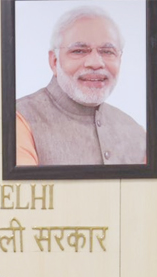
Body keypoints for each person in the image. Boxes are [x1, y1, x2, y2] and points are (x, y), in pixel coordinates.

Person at [14, 6, 145, 166]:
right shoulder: (19, 120)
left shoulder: (137, 133)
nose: (95, 63)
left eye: (107, 51)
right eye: (79, 51)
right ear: (54, 61)